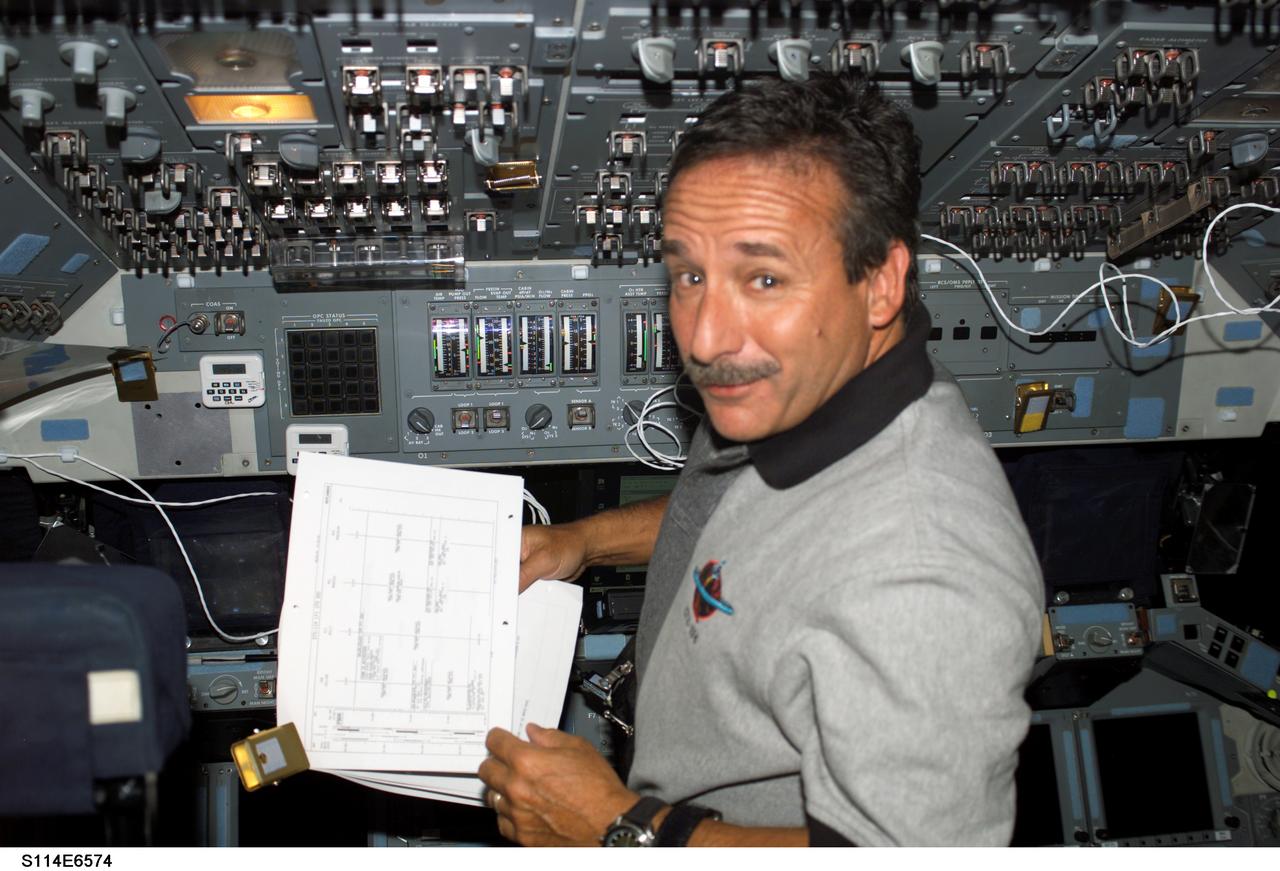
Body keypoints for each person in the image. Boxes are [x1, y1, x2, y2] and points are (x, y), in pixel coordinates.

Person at [477, 72, 1044, 847]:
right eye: (690, 275)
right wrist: (586, 540)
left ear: (880, 285)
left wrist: (615, 826)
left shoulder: (923, 572)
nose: (706, 338)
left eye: (764, 278)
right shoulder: (827, 387)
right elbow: (742, 518)